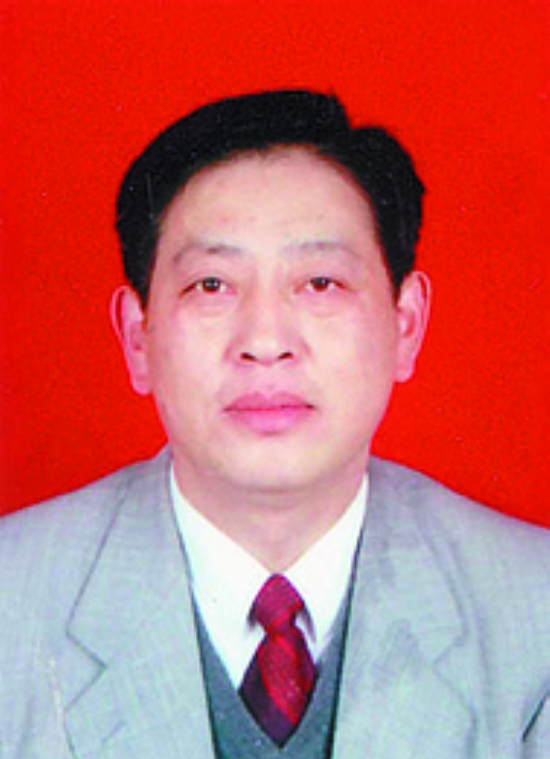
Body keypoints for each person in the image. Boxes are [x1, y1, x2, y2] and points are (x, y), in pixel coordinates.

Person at [0, 90, 548, 759]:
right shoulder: (11, 606)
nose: (265, 341)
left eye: (320, 283)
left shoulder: (535, 615)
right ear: (137, 338)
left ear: (406, 326)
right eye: (211, 285)